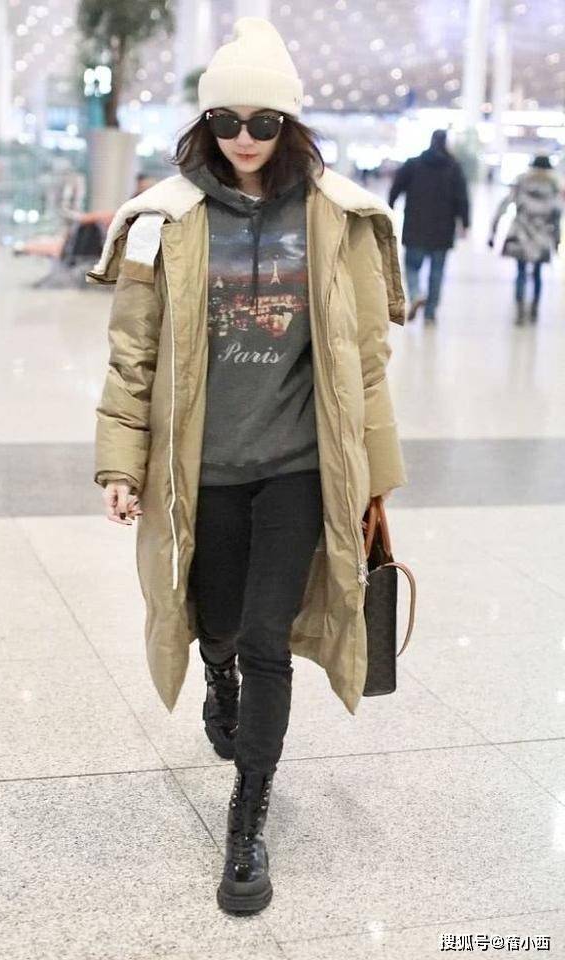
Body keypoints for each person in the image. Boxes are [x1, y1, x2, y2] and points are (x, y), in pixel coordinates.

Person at [87, 16, 407, 916]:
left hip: (300, 466)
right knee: (220, 623)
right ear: (205, 123)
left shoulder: (337, 218)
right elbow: (134, 355)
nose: (243, 138)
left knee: (270, 639)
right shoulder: (167, 220)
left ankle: (248, 816)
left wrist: (375, 481)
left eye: (263, 122)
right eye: (225, 120)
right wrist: (121, 463)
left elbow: (365, 360)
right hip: (206, 466)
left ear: (289, 124)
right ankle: (216, 673)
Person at [388, 129, 470, 324]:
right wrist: (465, 223)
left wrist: (389, 206)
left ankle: (416, 293)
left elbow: (396, 188)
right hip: (443, 230)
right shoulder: (454, 167)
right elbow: (462, 198)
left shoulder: (413, 164)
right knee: (437, 272)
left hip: (415, 226)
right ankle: (430, 313)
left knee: (411, 267)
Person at [488, 154, 562, 325]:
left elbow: (504, 205)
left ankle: (520, 309)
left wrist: (493, 229)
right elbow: (557, 214)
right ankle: (534, 309)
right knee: (537, 274)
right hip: (542, 236)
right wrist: (556, 240)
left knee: (521, 273)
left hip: (521, 234)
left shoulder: (522, 181)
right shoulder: (553, 186)